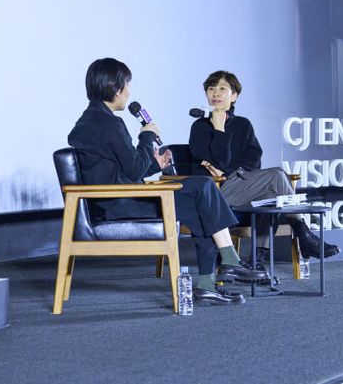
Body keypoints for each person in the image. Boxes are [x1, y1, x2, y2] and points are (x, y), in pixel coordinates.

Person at [67, 58, 265, 305]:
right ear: (115, 87)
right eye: (127, 85)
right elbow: (133, 170)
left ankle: (209, 283)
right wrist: (147, 136)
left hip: (119, 196)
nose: (129, 92)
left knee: (202, 207)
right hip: (119, 203)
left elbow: (126, 169)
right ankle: (229, 262)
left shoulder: (94, 119)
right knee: (203, 187)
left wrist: (155, 164)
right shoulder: (108, 123)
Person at [188, 70, 340, 274]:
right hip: (215, 192)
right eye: (211, 88)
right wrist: (219, 129)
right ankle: (303, 234)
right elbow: (215, 162)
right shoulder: (199, 127)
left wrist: (231, 170)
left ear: (234, 96)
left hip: (241, 184)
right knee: (277, 176)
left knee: (272, 197)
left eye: (222, 88)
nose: (215, 93)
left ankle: (257, 260)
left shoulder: (243, 125)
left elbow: (253, 160)